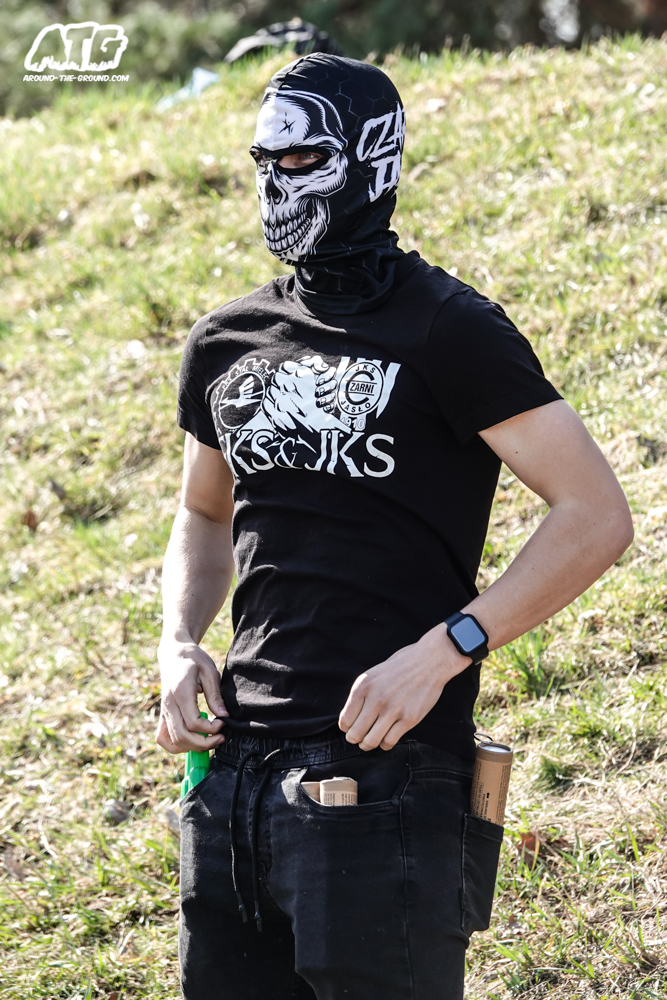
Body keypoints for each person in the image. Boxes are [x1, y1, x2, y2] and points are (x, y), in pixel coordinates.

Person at [156, 54, 633, 1000]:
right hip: (230, 777)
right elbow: (201, 511)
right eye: (263, 160)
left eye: (302, 159)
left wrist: (447, 648)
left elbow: (595, 515)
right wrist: (177, 642)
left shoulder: (451, 328)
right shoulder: (224, 339)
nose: (275, 181)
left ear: (373, 158)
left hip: (383, 777)